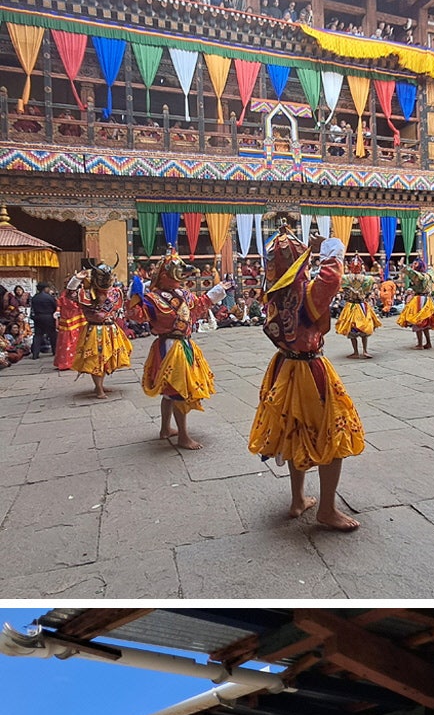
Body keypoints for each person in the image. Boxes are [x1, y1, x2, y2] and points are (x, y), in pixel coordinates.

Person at [248, 224, 364, 530]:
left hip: (284, 367)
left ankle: (297, 499)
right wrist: (330, 250)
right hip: (310, 370)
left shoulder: (275, 294)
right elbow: (332, 279)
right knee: (332, 434)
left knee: (293, 431)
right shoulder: (305, 293)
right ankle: (326, 509)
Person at [141, 250, 225, 449]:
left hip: (181, 343)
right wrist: (135, 297)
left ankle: (165, 429)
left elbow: (197, 307)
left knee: (170, 392)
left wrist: (217, 291)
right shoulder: (152, 298)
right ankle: (183, 436)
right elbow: (138, 315)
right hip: (170, 346)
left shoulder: (183, 293)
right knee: (178, 390)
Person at [71, 264, 132, 399]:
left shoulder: (115, 292)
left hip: (111, 329)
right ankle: (99, 389)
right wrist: (76, 279)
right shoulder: (87, 293)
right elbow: (70, 294)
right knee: (96, 359)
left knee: (106, 359)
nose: (105, 280)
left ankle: (100, 385)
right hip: (95, 330)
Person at [335, 257, 381, 358]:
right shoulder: (367, 279)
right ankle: (364, 351)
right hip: (361, 305)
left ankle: (357, 352)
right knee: (362, 328)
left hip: (352, 305)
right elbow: (374, 281)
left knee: (353, 329)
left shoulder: (346, 278)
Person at [396, 265, 434, 349]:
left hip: (419, 300)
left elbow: (411, 272)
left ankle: (420, 344)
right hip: (428, 299)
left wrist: (403, 267)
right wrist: (430, 268)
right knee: (425, 323)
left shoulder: (421, 276)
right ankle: (428, 343)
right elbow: (431, 271)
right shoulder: (429, 275)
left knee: (418, 321)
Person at [30, 281, 57, 359]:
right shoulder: (49, 297)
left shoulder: (35, 297)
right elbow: (55, 306)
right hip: (48, 317)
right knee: (52, 334)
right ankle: (54, 351)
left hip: (38, 317)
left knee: (38, 335)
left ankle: (35, 354)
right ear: (46, 288)